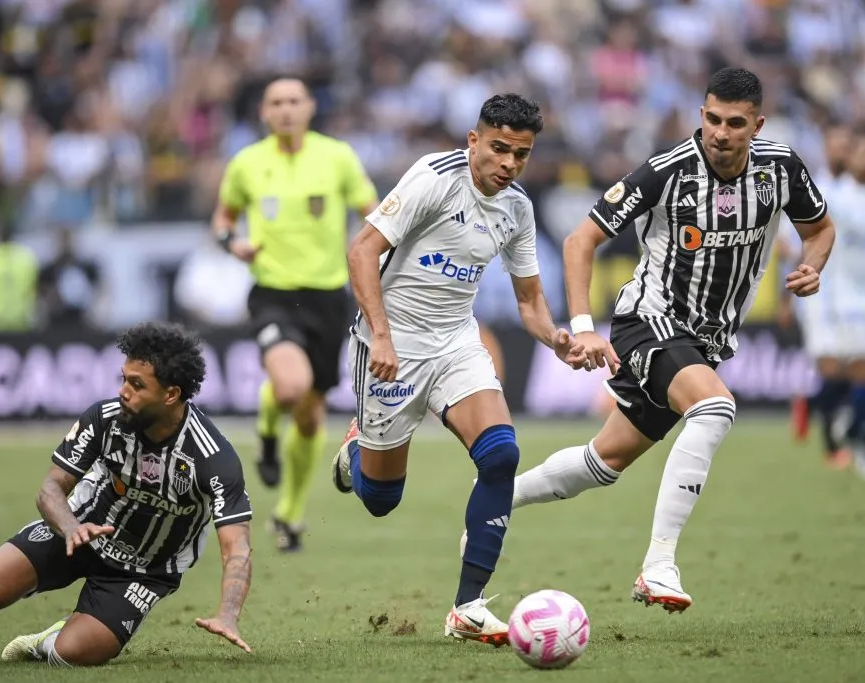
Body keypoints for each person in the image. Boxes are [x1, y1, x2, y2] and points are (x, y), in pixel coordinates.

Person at [492, 67, 835, 612]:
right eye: (712, 119)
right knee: (715, 406)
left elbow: (819, 229)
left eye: (735, 123)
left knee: (602, 462)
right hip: (648, 321)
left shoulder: (781, 169)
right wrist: (584, 328)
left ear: (758, 124)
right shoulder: (666, 171)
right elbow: (582, 239)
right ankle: (659, 565)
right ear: (701, 115)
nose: (720, 133)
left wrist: (813, 266)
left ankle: (494, 501)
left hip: (705, 339)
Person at [331, 93, 586, 646]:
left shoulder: (517, 207)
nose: (508, 165)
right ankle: (355, 450)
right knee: (381, 501)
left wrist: (557, 339)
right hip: (392, 344)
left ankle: (467, 607)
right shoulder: (433, 177)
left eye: (520, 155)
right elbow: (361, 252)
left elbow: (530, 304)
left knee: (501, 455)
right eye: (499, 149)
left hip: (456, 342)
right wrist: (381, 334)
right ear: (474, 141)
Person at [0, 322, 255, 665]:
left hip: (145, 570)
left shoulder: (212, 458)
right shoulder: (105, 419)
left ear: (171, 394)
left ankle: (48, 641)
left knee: (74, 654)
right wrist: (70, 527)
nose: (123, 391)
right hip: (74, 532)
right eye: (123, 378)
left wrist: (229, 614)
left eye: (136, 384)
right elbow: (50, 488)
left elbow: (236, 549)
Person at [212, 76, 377, 552]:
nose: (285, 109)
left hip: (327, 299)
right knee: (289, 385)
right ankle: (266, 432)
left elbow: (374, 212)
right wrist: (233, 243)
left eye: (293, 101)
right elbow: (222, 220)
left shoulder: (338, 157)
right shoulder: (247, 163)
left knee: (309, 416)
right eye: (276, 102)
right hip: (273, 295)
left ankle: (289, 514)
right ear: (264, 113)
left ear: (309, 108)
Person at [781, 123, 853, 468]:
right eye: (837, 145)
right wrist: (787, 299)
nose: (843, 151)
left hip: (855, 299)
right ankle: (832, 445)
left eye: (847, 145)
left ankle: (809, 404)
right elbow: (792, 247)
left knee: (848, 370)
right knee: (833, 368)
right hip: (819, 299)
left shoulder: (855, 192)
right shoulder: (813, 189)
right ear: (826, 148)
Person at [821, 131, 865, 477]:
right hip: (848, 299)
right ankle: (846, 430)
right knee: (853, 368)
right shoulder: (838, 198)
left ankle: (846, 426)